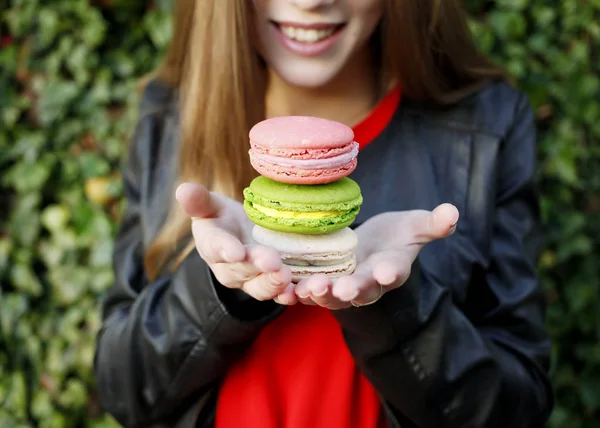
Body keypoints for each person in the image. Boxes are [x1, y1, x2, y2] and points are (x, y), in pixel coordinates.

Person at [93, 0, 554, 427]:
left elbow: (520, 407)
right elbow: (122, 388)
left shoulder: (485, 127)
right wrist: (220, 286)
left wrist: (396, 308)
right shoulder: (170, 117)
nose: (311, 1)